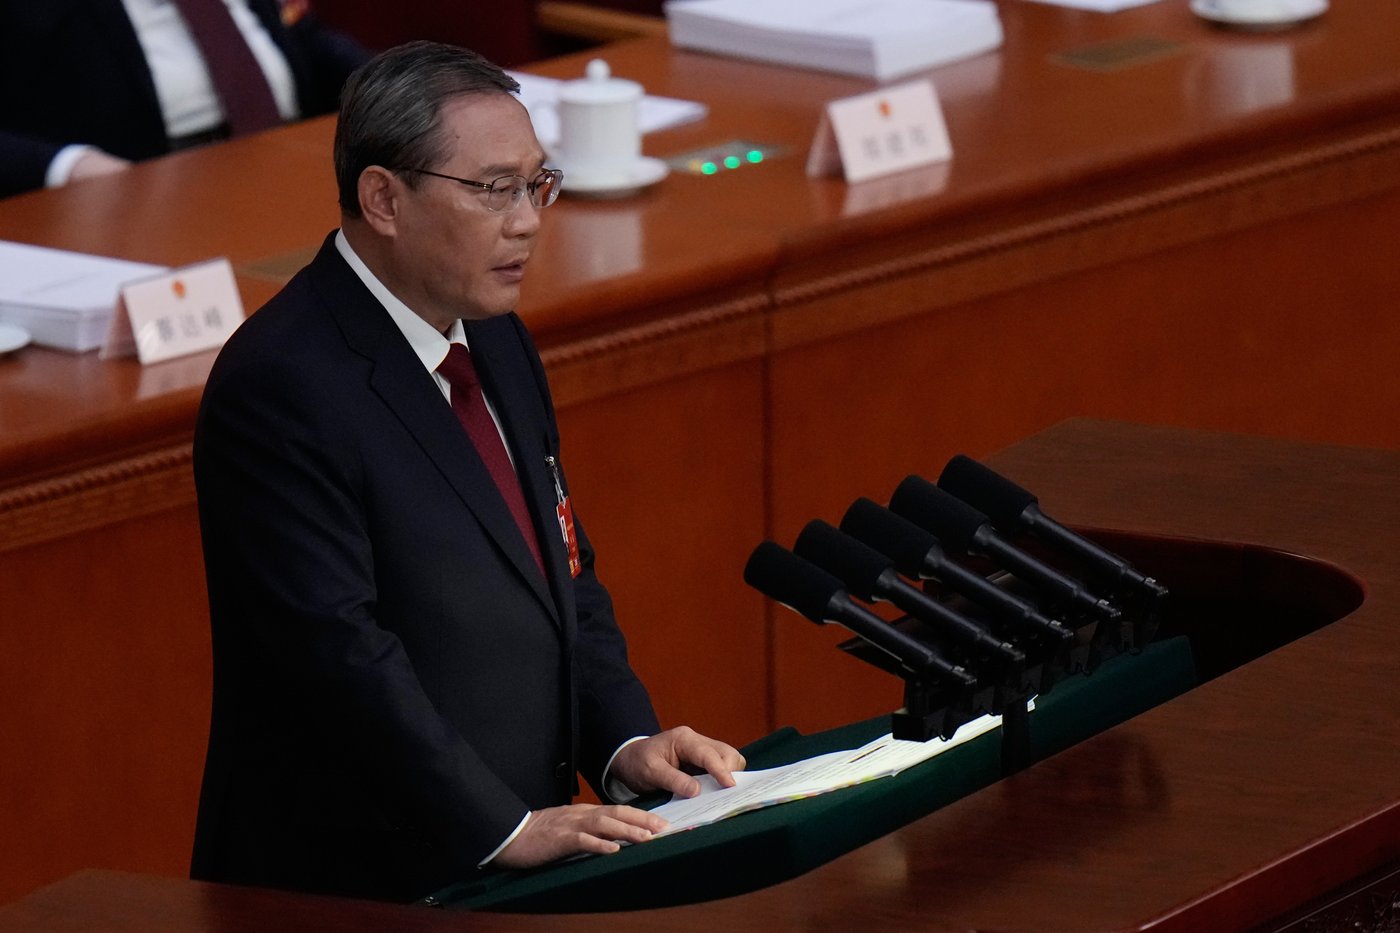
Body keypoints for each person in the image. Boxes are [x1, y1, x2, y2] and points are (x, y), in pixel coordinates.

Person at [189, 40, 744, 903]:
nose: (526, 219)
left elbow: (562, 571)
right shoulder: (281, 386)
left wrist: (624, 745)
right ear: (384, 198)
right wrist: (503, 826)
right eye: (493, 190)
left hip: (505, 869)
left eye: (537, 184)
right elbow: (337, 658)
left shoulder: (494, 335)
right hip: (350, 884)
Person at [0, 0, 368, 198]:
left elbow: (311, 44)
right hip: (146, 194)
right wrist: (68, 165)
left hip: (291, 163)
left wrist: (409, 83)